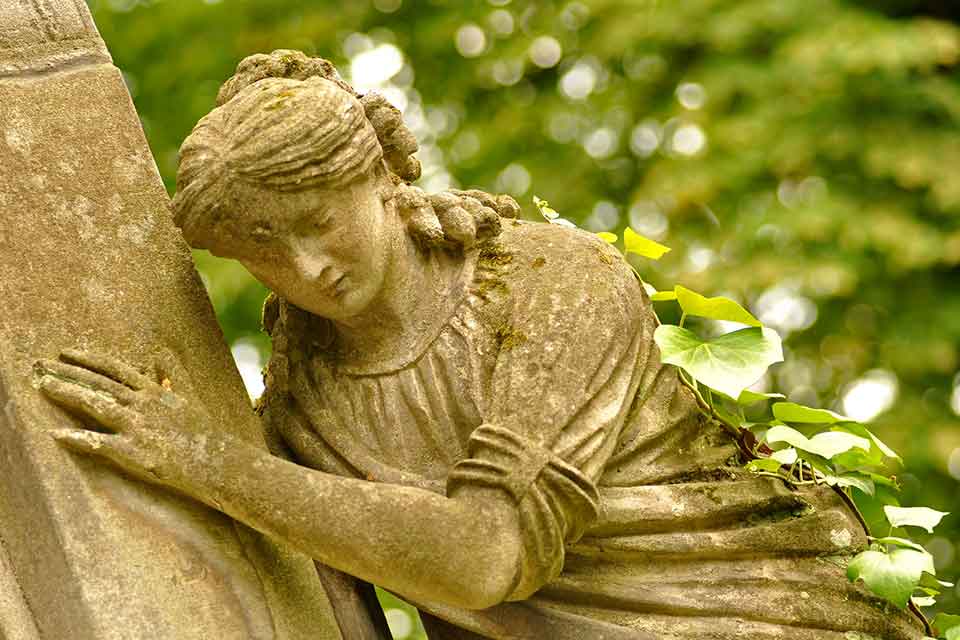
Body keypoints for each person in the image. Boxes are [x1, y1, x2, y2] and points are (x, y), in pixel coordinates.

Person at [36, 51, 927, 640]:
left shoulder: (549, 285)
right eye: (265, 252)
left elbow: (486, 556)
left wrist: (201, 458)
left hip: (764, 619)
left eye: (318, 223)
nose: (306, 267)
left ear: (383, 179)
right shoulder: (306, 396)